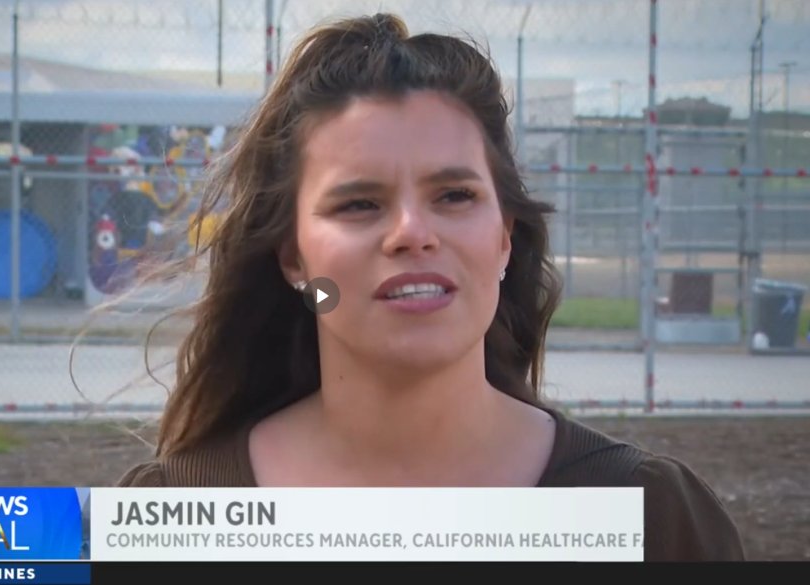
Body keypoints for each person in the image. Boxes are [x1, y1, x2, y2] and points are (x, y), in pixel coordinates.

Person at [115, 14, 745, 561]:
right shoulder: (172, 516)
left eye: (454, 195)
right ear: (296, 263)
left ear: (504, 238)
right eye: (359, 203)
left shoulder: (646, 515)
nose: (412, 233)